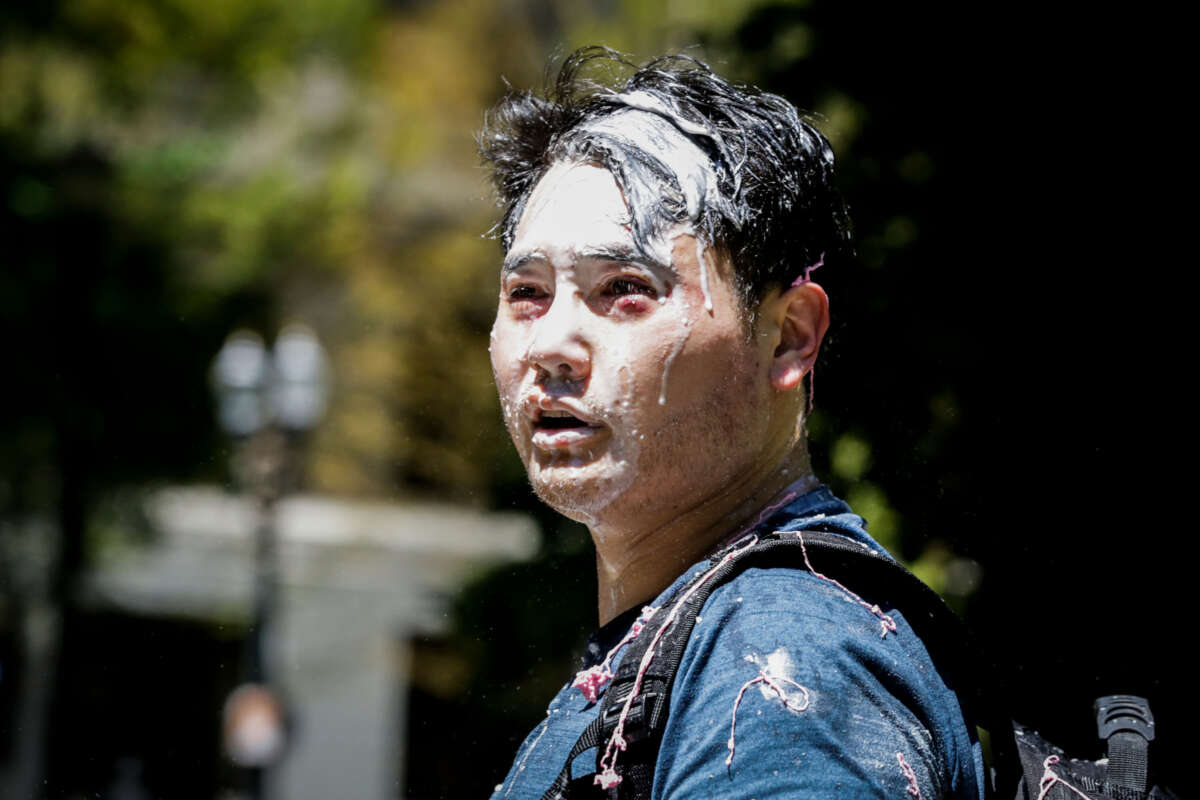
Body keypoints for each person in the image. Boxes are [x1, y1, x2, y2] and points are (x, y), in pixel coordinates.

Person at [479, 47, 985, 799]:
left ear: (788, 335)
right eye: (527, 293)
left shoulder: (783, 667)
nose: (550, 344)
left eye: (624, 288)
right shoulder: (699, 643)